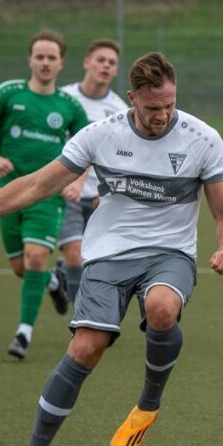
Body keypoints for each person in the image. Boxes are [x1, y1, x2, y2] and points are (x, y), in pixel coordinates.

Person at [0, 52, 223, 446]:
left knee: (163, 309)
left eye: (168, 105)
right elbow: (35, 185)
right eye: (151, 108)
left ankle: (147, 403)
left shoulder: (202, 139)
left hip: (170, 252)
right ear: (132, 99)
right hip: (107, 253)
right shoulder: (100, 135)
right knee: (86, 348)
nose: (161, 115)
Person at [0, 29, 89, 359]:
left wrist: (77, 182)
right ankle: (52, 283)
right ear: (30, 60)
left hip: (47, 195)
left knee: (37, 256)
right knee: (22, 268)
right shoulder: (8, 93)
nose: (45, 63)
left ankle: (23, 334)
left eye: (52, 57)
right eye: (40, 56)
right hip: (5, 194)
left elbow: (89, 149)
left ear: (61, 63)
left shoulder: (69, 106)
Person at [56, 38, 128, 303]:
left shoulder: (120, 110)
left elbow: (121, 158)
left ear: (116, 70)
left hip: (99, 195)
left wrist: (107, 190)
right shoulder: (63, 98)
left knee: (97, 258)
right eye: (101, 60)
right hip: (66, 192)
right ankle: (80, 320)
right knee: (74, 251)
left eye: (112, 63)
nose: (106, 66)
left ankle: (64, 276)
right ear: (87, 63)